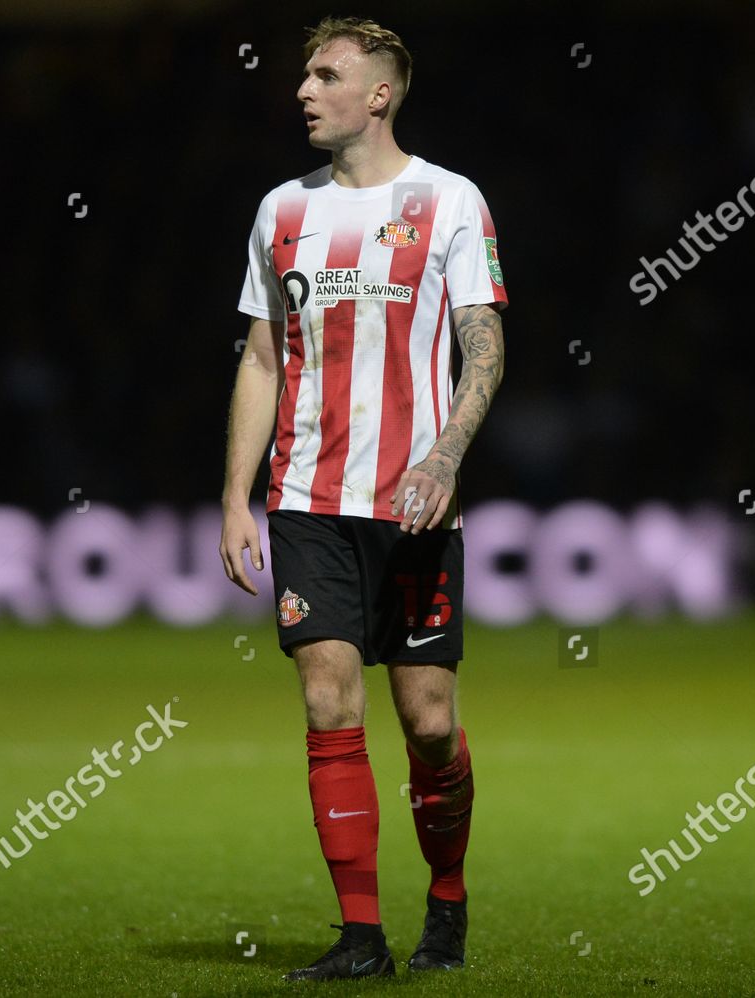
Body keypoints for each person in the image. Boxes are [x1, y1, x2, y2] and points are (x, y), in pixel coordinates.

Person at [218, 14, 508, 981]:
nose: (304, 89)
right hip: (307, 497)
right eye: (304, 74)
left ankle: (449, 898)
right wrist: (234, 497)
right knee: (327, 699)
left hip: (414, 504)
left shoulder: (451, 199)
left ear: (379, 93)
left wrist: (445, 458)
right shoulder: (279, 211)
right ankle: (360, 937)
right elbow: (262, 357)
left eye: (326, 74)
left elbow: (485, 345)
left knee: (428, 722)